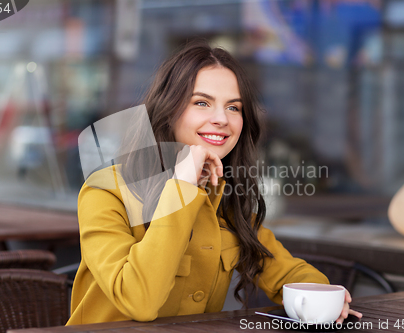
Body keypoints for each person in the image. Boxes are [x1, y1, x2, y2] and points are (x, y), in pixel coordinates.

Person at [67, 41, 362, 325]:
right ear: (168, 109)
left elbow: (282, 269)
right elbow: (138, 300)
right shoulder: (106, 191)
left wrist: (325, 294)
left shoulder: (225, 196)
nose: (221, 118)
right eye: (202, 102)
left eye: (234, 108)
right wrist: (182, 186)